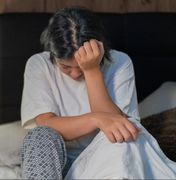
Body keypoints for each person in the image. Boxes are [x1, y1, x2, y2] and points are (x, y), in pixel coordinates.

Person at [20, 7, 176, 179]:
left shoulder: (120, 62)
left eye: (80, 67)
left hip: (107, 159)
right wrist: (96, 119)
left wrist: (92, 70)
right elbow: (46, 123)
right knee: (39, 136)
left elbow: (118, 125)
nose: (75, 74)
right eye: (65, 67)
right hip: (58, 165)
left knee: (123, 135)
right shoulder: (39, 64)